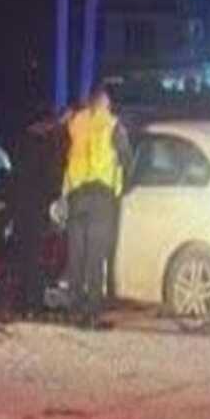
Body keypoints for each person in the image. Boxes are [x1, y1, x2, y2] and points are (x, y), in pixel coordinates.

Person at [62, 85, 131, 330]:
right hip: (101, 197)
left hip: (76, 195)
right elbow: (126, 159)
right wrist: (124, 187)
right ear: (105, 103)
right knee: (95, 257)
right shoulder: (114, 126)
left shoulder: (76, 123)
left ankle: (73, 310)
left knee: (76, 256)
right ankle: (92, 314)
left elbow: (65, 151)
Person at [8, 106, 66, 318]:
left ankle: (22, 302)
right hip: (36, 209)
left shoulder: (20, 143)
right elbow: (51, 179)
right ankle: (33, 303)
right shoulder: (45, 145)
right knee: (35, 258)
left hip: (21, 209)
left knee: (23, 257)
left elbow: (14, 176)